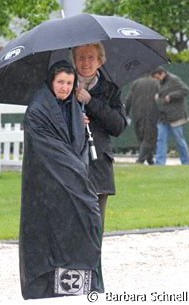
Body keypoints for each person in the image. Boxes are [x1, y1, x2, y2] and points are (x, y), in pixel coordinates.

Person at [19, 60, 104, 300]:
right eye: (60, 82)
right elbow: (50, 149)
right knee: (50, 234)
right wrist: (77, 177)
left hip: (73, 180)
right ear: (51, 82)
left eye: (69, 83)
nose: (65, 88)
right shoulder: (38, 109)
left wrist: (79, 120)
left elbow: (74, 144)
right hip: (47, 184)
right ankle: (47, 286)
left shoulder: (73, 107)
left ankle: (78, 284)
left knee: (79, 226)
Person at [72, 43, 127, 233]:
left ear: (100, 61)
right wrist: (72, 118)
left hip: (99, 163)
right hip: (70, 163)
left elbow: (118, 126)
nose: (85, 62)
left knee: (95, 225)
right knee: (71, 221)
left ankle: (94, 263)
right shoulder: (63, 85)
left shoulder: (111, 90)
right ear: (74, 61)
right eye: (81, 57)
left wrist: (90, 101)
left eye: (90, 58)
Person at [151, 66, 189, 165]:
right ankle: (160, 163)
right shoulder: (161, 83)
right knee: (161, 139)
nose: (156, 79)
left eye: (157, 77)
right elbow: (163, 95)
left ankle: (186, 162)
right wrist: (158, 97)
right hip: (163, 116)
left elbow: (186, 90)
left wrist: (171, 96)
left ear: (162, 73)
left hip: (175, 116)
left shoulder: (174, 80)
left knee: (179, 140)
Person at [125, 75, 160, 165]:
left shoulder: (136, 83)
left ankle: (149, 159)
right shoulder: (156, 83)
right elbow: (161, 99)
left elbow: (129, 98)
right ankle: (140, 160)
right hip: (152, 113)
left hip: (137, 113)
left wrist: (125, 113)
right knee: (149, 137)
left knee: (141, 136)